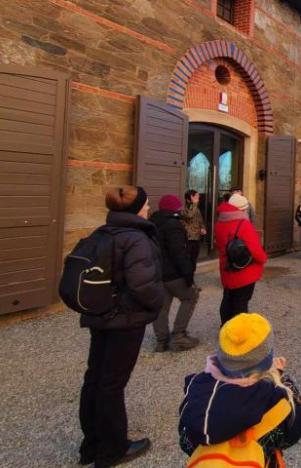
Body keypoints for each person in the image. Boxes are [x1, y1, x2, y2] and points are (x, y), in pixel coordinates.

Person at [79, 186, 164, 468]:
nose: (149, 208)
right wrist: (157, 302)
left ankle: (91, 444)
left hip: (100, 315)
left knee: (95, 377)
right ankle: (112, 449)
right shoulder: (136, 238)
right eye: (146, 204)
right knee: (112, 384)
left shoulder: (102, 233)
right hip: (125, 319)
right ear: (137, 209)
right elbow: (142, 283)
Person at [179, 313, 301, 466]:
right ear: (266, 359)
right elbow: (295, 432)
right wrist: (279, 375)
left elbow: (186, 441)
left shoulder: (197, 386)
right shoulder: (277, 395)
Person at [150, 195, 199, 352]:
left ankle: (161, 341)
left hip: (157, 272)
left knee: (162, 306)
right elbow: (178, 253)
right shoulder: (173, 225)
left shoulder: (152, 223)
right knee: (190, 296)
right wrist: (188, 274)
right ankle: (179, 335)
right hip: (173, 273)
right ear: (174, 208)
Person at [215, 195, 268, 324]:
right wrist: (263, 259)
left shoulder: (220, 221)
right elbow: (255, 250)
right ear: (241, 210)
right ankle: (238, 333)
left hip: (227, 266)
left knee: (228, 297)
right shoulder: (244, 224)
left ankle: (225, 326)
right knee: (241, 302)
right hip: (244, 271)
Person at [181, 189, 206, 267]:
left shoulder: (196, 207)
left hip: (196, 237)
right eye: (196, 195)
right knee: (187, 259)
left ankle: (191, 276)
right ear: (191, 197)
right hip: (188, 238)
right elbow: (189, 216)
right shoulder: (183, 208)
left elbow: (200, 218)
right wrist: (195, 204)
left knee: (194, 259)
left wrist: (202, 227)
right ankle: (187, 276)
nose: (198, 197)